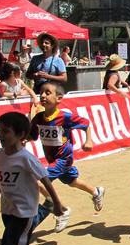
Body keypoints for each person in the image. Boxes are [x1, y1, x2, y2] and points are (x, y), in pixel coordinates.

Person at [0, 112, 66, 245]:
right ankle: (46, 209)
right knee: (19, 237)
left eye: (6, 131)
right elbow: (0, 179)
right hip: (7, 209)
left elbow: (45, 179)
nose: (1, 135)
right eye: (0, 130)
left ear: (20, 134)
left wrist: (57, 202)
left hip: (24, 209)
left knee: (11, 242)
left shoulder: (26, 158)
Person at [29, 82, 105, 231]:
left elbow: (86, 123)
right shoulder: (38, 118)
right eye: (41, 93)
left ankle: (62, 210)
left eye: (47, 93)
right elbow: (32, 136)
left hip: (64, 159)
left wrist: (89, 140)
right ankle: (96, 192)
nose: (43, 95)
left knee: (39, 181)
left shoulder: (65, 117)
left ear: (59, 98)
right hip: (52, 159)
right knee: (72, 181)